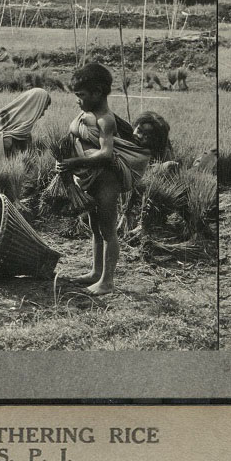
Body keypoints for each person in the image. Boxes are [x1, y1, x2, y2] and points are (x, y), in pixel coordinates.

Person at [58, 62, 151, 295]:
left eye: (81, 95)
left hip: (106, 179)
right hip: (90, 178)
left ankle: (107, 281)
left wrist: (73, 163)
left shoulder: (104, 119)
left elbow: (106, 153)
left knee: (108, 229)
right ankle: (95, 271)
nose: (77, 100)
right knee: (94, 227)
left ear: (97, 93)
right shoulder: (85, 113)